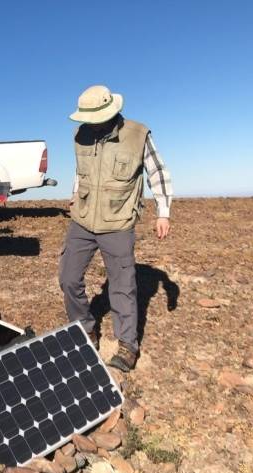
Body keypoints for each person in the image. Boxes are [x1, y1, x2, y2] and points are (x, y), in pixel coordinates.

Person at [59, 85, 172, 372]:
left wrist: (164, 212)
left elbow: (157, 171)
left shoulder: (137, 135)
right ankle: (84, 329)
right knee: (68, 278)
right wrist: (75, 194)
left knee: (122, 288)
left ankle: (127, 345)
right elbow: (81, 170)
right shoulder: (80, 134)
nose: (90, 123)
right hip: (83, 220)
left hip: (118, 222)